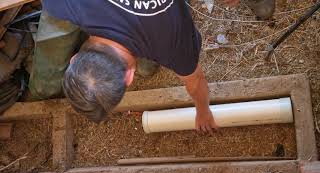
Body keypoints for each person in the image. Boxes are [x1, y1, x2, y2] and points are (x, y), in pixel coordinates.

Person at [39, 0, 274, 133]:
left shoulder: (172, 43)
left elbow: (195, 80)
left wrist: (203, 110)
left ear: (129, 77)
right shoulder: (61, 4)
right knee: (149, 68)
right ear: (73, 59)